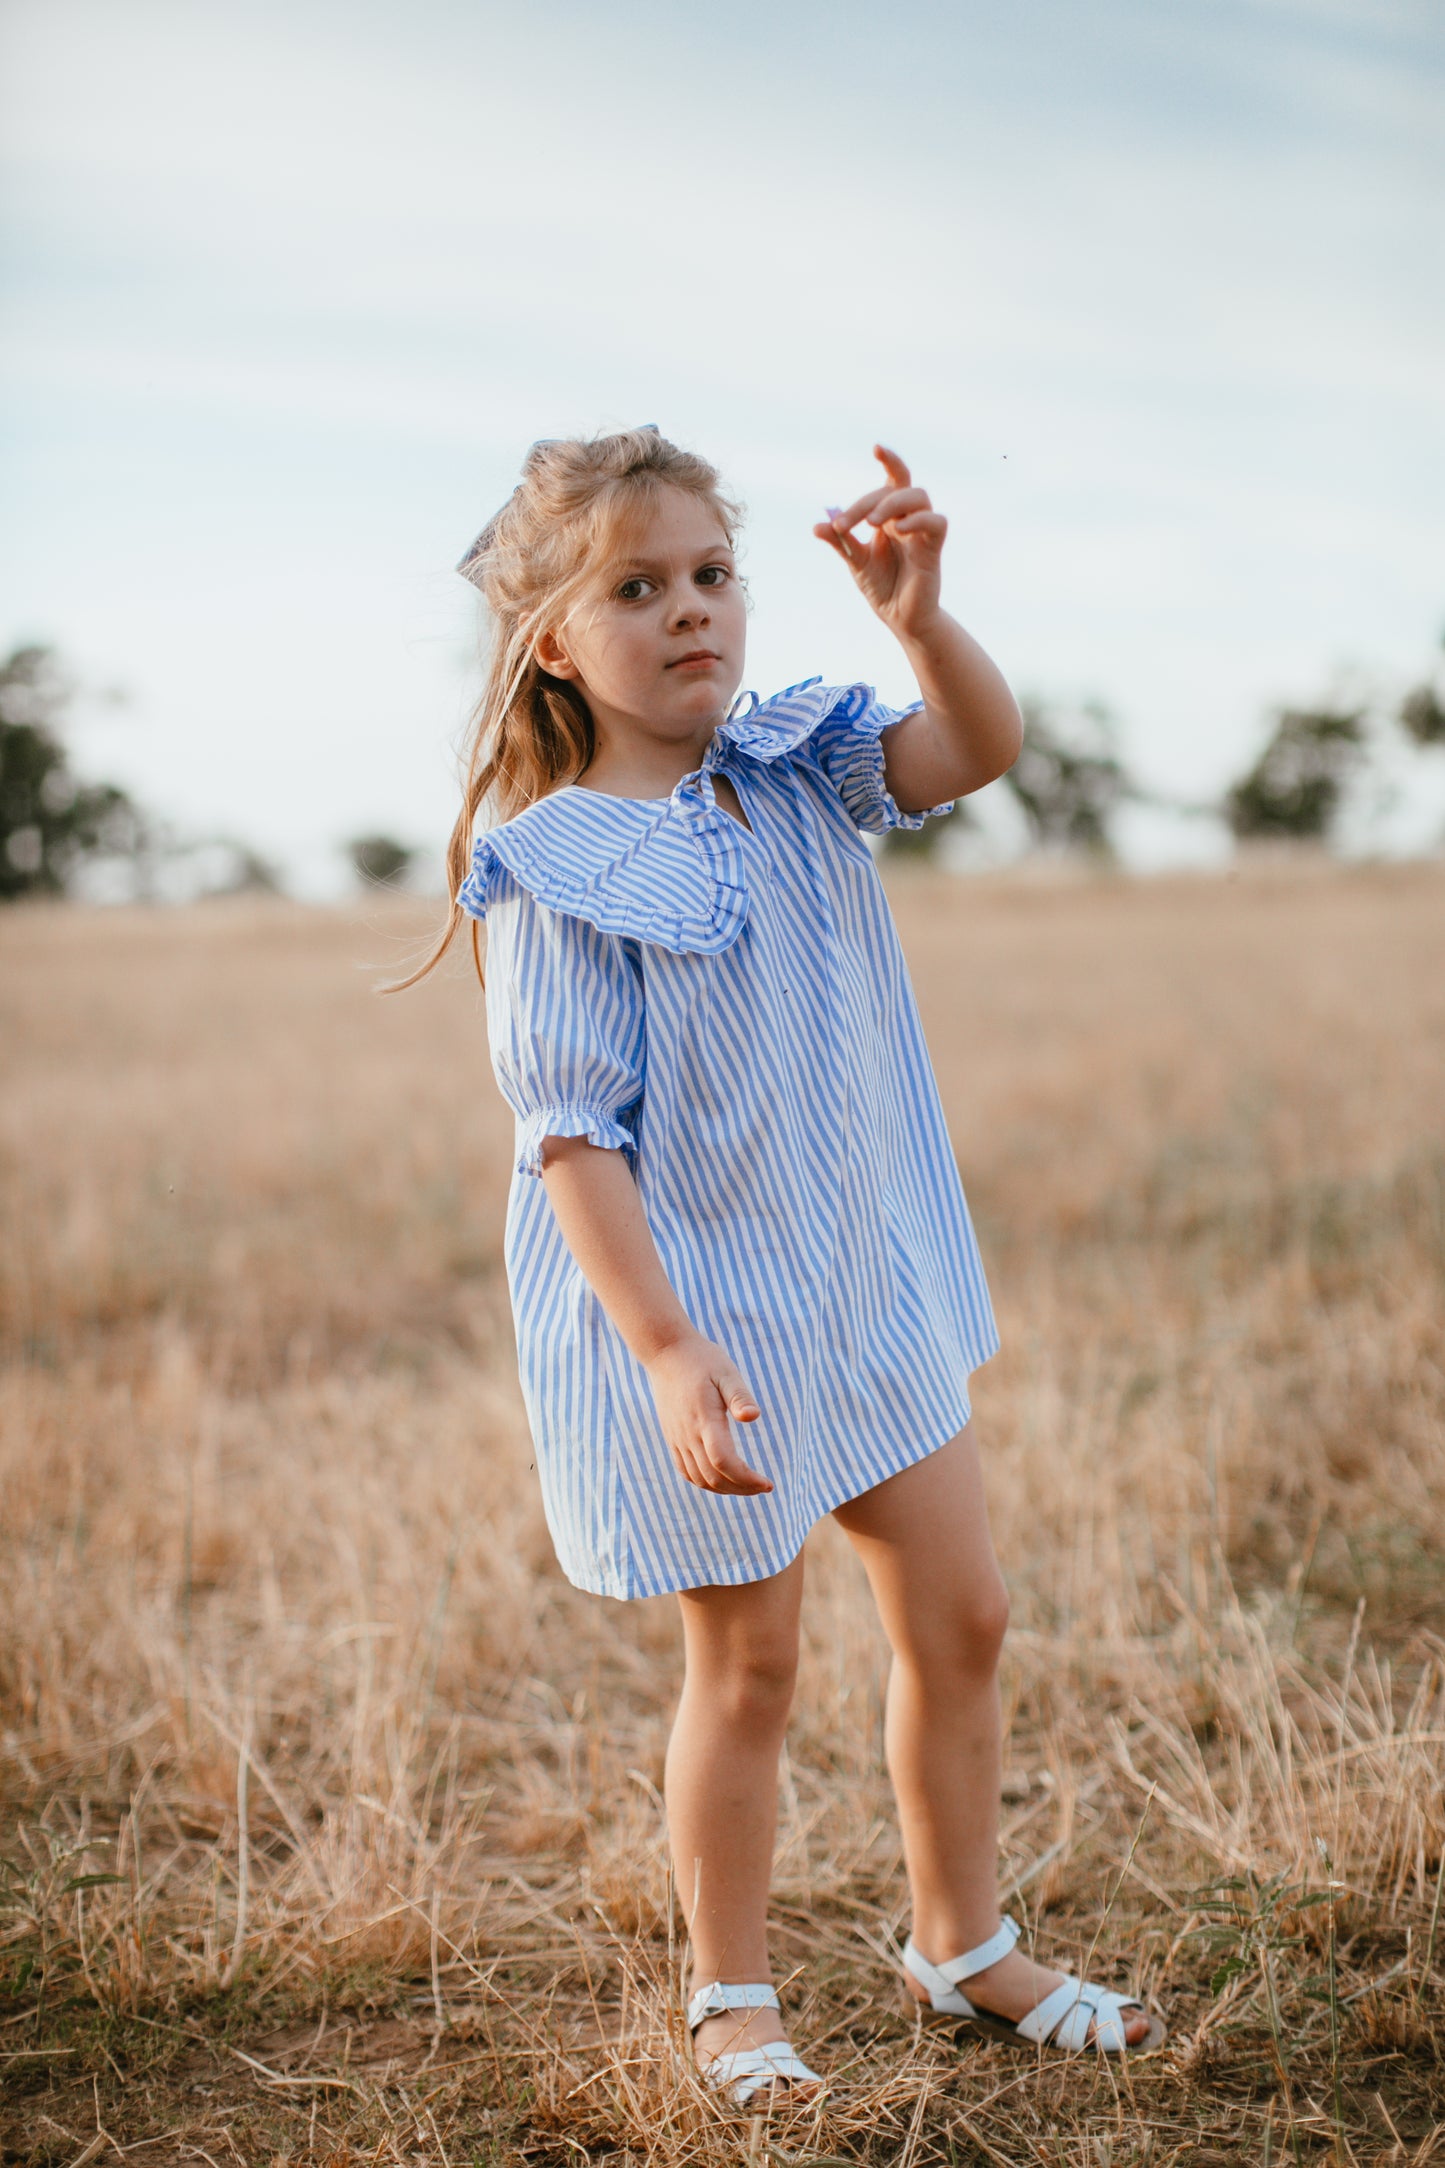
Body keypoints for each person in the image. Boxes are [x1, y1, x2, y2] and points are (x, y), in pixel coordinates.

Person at [405, 426, 1166, 2108]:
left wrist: (919, 618)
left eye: (709, 575)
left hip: (864, 1283)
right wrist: (666, 1349)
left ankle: (960, 1945)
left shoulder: (797, 765)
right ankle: (730, 1995)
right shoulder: (554, 867)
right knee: (750, 1666)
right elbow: (572, 1137)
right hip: (715, 1320)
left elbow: (971, 748)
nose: (689, 613)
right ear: (550, 640)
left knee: (965, 1614)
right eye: (634, 587)